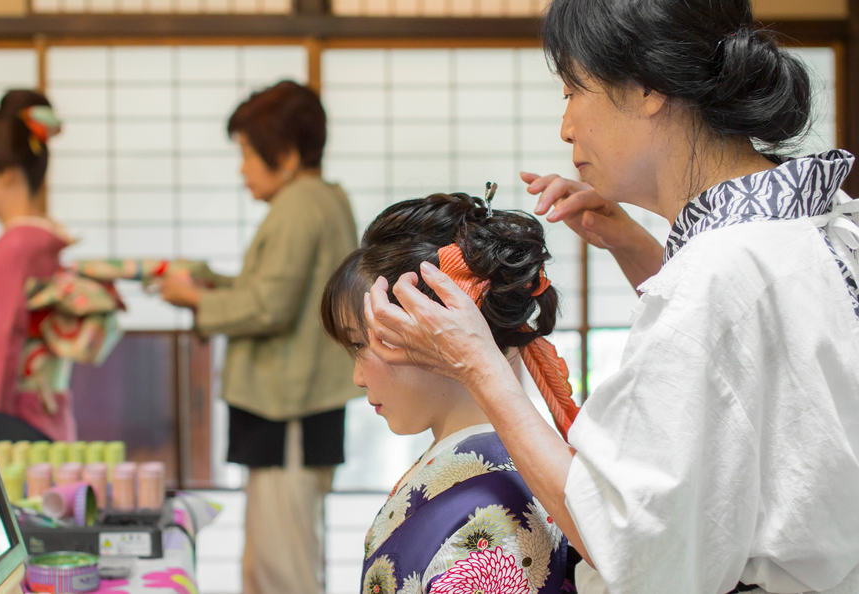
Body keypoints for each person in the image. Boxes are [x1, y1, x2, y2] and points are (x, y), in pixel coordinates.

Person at [360, 1, 859, 592]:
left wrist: (477, 364)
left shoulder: (719, 276)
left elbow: (638, 548)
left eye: (574, 89)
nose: (566, 126)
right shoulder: (815, 227)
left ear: (646, 85)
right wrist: (632, 243)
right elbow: (745, 364)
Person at [321, 191, 580, 594]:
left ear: (430, 327)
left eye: (360, 344)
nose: (357, 377)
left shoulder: (496, 507)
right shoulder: (505, 464)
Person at [159, 80, 360, 594]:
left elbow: (270, 306)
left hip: (286, 409)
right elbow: (276, 290)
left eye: (248, 152)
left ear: (287, 154)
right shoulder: (325, 199)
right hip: (294, 405)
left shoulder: (299, 205)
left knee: (281, 571)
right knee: (279, 559)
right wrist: (212, 283)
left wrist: (196, 301)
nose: (242, 167)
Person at [0, 90, 80, 441]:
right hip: (42, 415)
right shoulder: (41, 240)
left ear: (6, 174)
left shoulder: (14, 249)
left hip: (12, 428)